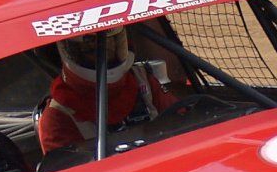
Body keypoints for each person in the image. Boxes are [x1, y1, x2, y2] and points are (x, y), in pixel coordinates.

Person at [37, 28, 177, 156]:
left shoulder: (142, 78)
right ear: (70, 53)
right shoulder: (57, 116)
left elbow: (180, 120)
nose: (105, 52)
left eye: (112, 43)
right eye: (91, 49)